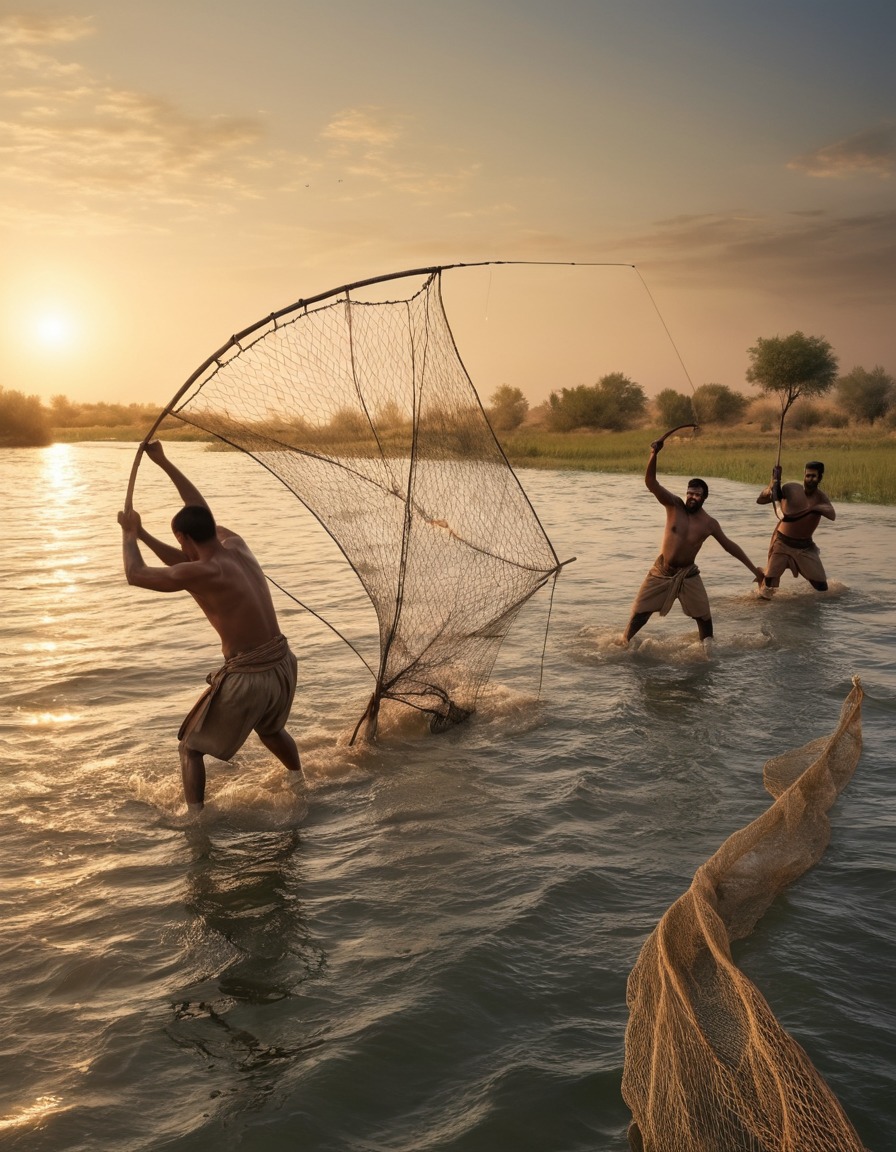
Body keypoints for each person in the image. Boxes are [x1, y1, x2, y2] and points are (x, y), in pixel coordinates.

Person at [118, 440, 302, 813]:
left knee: (189, 747)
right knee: (269, 730)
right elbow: (196, 518)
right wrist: (163, 462)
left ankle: (196, 825)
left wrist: (128, 534)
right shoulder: (236, 544)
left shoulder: (204, 570)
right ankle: (300, 784)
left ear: (184, 538)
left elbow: (136, 574)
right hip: (283, 664)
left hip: (250, 675)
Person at [620, 438, 764, 655]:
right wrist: (654, 454)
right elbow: (651, 483)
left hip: (688, 575)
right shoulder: (674, 505)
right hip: (661, 572)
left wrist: (756, 571)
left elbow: (730, 547)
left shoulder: (709, 523)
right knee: (640, 614)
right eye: (690, 493)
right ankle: (623, 644)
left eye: (697, 494)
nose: (692, 497)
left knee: (704, 617)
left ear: (704, 497)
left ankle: (708, 650)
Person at [756, 460, 835, 598]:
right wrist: (773, 482)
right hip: (782, 543)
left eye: (814, 476)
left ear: (820, 478)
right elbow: (762, 499)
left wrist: (815, 508)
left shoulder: (821, 498)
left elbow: (832, 514)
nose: (810, 479)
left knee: (822, 589)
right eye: (807, 475)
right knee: (768, 587)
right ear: (804, 475)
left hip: (805, 547)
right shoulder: (791, 489)